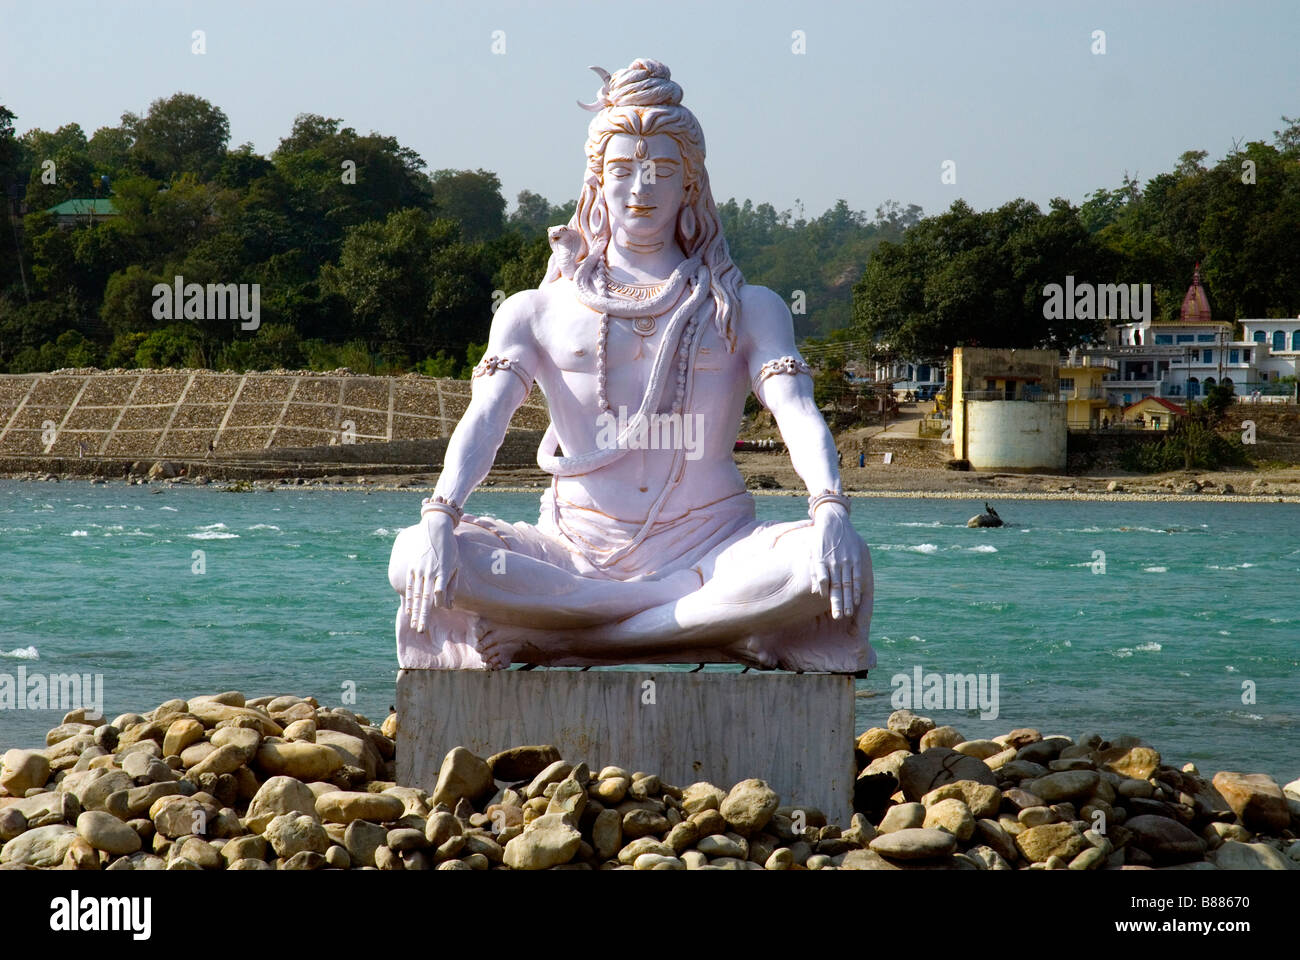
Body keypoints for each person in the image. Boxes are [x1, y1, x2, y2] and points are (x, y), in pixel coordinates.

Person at [388, 59, 873, 674]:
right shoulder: (534, 310)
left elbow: (797, 410)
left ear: (690, 184)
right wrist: (440, 515)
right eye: (622, 170)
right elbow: (485, 416)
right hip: (572, 551)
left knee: (819, 561)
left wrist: (828, 506)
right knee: (412, 557)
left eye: (662, 170)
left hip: (716, 547)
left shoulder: (746, 307)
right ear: (595, 180)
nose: (640, 188)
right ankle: (696, 627)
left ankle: (572, 639)